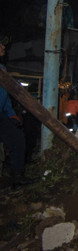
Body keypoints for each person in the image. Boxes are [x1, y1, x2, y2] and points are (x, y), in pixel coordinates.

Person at [0, 37, 34, 188]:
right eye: (0, 45)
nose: (3, 48)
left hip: (1, 114)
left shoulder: (2, 69)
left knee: (17, 138)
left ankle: (17, 175)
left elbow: (4, 94)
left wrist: (11, 113)